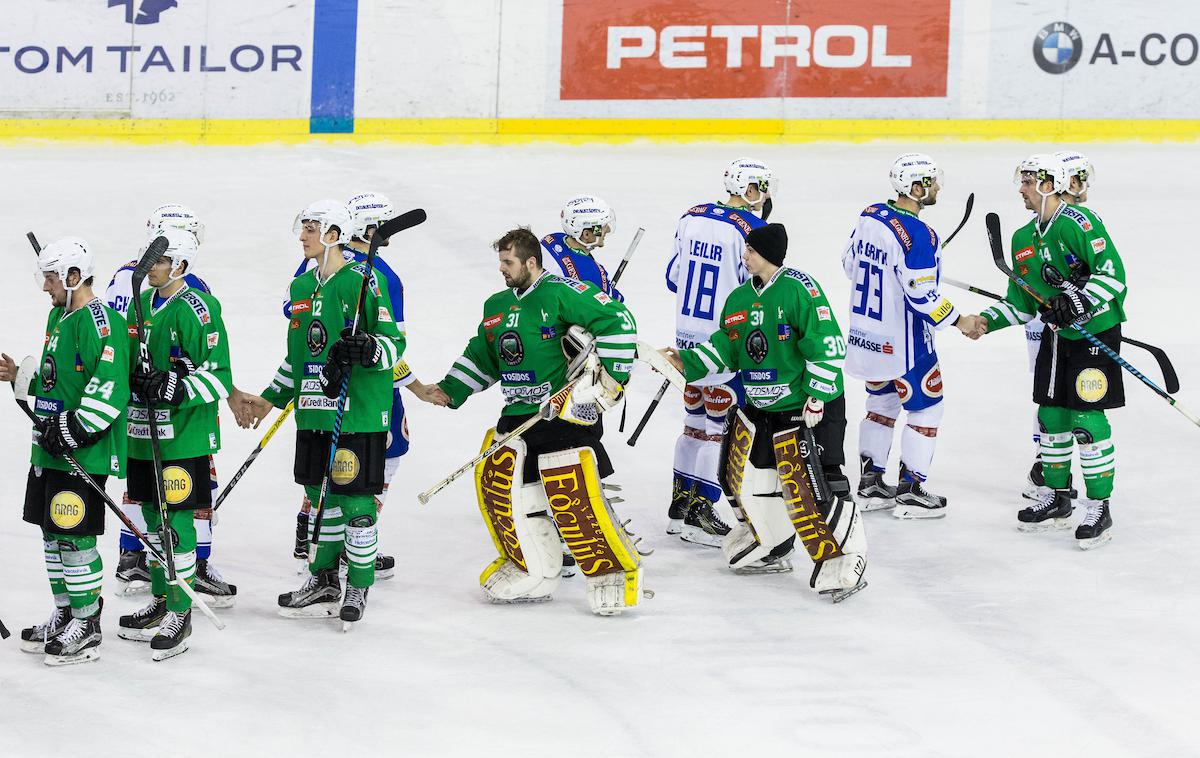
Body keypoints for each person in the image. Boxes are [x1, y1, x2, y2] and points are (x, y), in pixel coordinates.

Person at [434, 227, 643, 616]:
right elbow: (485, 355)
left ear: (531, 262)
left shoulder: (562, 292)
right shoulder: (496, 304)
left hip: (564, 414)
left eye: (508, 261)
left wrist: (611, 379)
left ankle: (612, 574)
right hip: (518, 416)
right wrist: (450, 389)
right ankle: (535, 570)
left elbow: (618, 320)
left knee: (575, 497)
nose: (501, 268)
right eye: (500, 261)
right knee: (513, 495)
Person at [662, 223, 865, 598]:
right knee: (745, 481)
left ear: (768, 253)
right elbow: (726, 348)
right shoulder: (739, 298)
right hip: (762, 407)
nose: (745, 255)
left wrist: (817, 396)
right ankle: (773, 542)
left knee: (819, 484)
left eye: (751, 250)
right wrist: (687, 362)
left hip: (808, 406)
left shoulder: (800, 289)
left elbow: (828, 344)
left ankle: (845, 555)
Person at [241, 199, 405, 626]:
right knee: (320, 500)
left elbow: (393, 343)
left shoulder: (364, 280)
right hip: (313, 413)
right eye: (304, 228)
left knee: (356, 504)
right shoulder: (301, 289)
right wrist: (268, 399)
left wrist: (368, 348)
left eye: (311, 228)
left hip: (358, 412)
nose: (303, 236)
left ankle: (359, 583)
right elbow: (297, 359)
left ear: (333, 234)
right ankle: (325, 577)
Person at [281, 192, 446, 578]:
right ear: (371, 229)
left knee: (324, 472)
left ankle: (315, 531)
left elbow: (294, 314)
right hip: (367, 394)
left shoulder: (312, 268)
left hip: (315, 388)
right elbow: (388, 346)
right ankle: (355, 549)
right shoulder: (378, 276)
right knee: (380, 462)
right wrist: (417, 386)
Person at [968, 153, 1125, 549]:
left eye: (1026, 182)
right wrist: (985, 321)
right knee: (1051, 416)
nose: (1020, 189)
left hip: (1096, 335)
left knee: (1087, 421)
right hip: (1057, 338)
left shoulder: (1079, 225)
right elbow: (1021, 304)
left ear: (1048, 184)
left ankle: (1099, 507)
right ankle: (1056, 497)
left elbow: (1114, 277)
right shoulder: (1022, 239)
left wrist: (1079, 303)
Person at [0, 238, 130, 665]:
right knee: (52, 534)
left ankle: (87, 623)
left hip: (84, 452)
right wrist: (24, 378)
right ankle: (65, 613)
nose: (45, 288)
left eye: (51, 278)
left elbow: (111, 388)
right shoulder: (59, 315)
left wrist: (73, 428)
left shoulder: (101, 322)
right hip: (51, 448)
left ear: (75, 276)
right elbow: (60, 383)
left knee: (74, 538)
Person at [105, 204, 237, 607]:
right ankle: (162, 596)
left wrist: (174, 388)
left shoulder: (197, 306)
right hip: (143, 431)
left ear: (179, 264)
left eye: (160, 260)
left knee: (176, 519)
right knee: (151, 513)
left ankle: (179, 608)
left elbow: (218, 374)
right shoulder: (138, 299)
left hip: (181, 435)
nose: (151, 266)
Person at [841, 153, 980, 518]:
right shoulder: (920, 234)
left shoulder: (871, 215)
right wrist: (960, 319)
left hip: (866, 338)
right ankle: (912, 490)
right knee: (927, 408)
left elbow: (849, 264)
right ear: (916, 188)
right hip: (904, 343)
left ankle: (870, 484)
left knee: (881, 406)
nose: (936, 187)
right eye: (932, 182)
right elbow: (921, 296)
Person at [664, 158, 771, 546]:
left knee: (694, 424)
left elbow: (673, 277)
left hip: (686, 340)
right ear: (743, 187)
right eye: (758, 187)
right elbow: (759, 287)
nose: (763, 195)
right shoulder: (754, 230)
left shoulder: (690, 217)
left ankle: (680, 508)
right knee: (716, 432)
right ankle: (700, 514)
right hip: (722, 343)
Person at [1020, 151, 1095, 505]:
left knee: (1076, 407)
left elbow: (1105, 275)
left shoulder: (1080, 222)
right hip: (1046, 323)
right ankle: (1050, 470)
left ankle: (1055, 472)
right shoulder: (1033, 230)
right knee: (1049, 402)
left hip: (1071, 326)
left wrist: (1086, 304)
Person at [540, 194, 624, 300]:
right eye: (602, 227)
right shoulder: (593, 273)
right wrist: (614, 295)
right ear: (586, 235)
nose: (608, 230)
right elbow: (613, 304)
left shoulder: (551, 239)